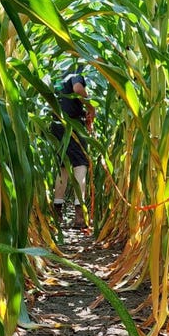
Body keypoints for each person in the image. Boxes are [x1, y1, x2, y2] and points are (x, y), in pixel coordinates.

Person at [50, 67, 95, 230]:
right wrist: (90, 108)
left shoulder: (57, 79)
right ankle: (79, 215)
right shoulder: (76, 75)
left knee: (62, 167)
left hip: (56, 125)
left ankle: (57, 212)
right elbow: (77, 89)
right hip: (72, 125)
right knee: (80, 165)